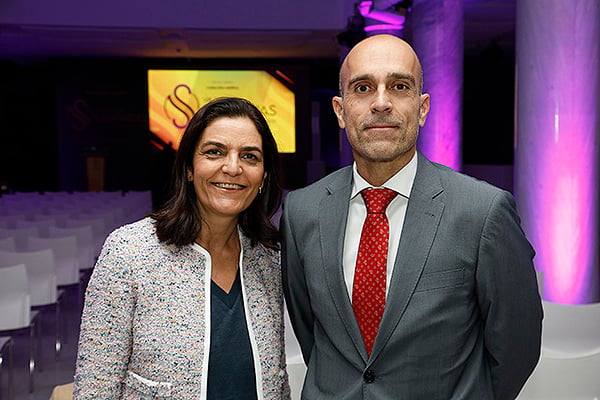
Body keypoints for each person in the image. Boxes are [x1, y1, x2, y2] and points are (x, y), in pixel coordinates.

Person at [281, 34, 543, 399]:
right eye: (363, 87)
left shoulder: (483, 211)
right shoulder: (301, 211)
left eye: (399, 86)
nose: (381, 102)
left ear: (422, 108)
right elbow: (312, 333)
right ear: (340, 111)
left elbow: (517, 345)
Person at [73, 97, 290, 399]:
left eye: (250, 157)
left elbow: (277, 382)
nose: (232, 167)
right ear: (189, 167)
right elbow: (96, 389)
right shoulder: (129, 252)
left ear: (264, 177)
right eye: (214, 152)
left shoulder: (270, 259)